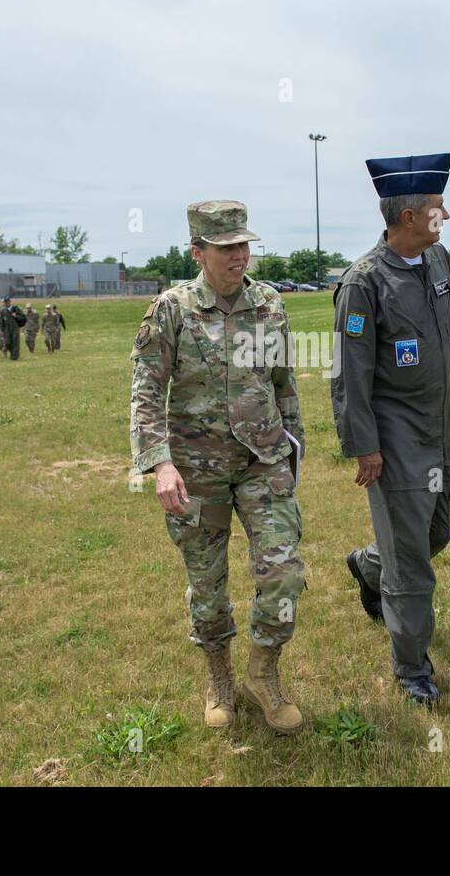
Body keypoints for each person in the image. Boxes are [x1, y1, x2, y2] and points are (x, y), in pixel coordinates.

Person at [130, 200, 306, 734]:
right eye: (227, 247)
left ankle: (264, 674)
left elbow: (283, 384)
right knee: (207, 588)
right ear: (198, 252)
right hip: (195, 471)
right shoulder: (172, 310)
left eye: (244, 244)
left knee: (282, 572)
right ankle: (219, 677)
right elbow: (145, 392)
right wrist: (159, 463)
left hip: (261, 462)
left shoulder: (269, 303)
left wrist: (293, 448)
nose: (240, 255)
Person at [331, 153, 450, 707]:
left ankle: (370, 564)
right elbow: (349, 373)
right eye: (437, 208)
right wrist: (365, 446)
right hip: (394, 435)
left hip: (439, 426)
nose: (445, 215)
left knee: (436, 533)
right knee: (413, 560)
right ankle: (412, 667)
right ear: (408, 216)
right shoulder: (363, 284)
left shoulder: (439, 262)